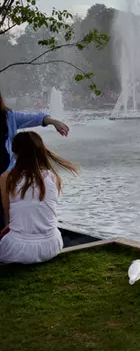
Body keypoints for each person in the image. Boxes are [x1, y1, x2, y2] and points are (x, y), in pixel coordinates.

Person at [0, 131, 78, 264]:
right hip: (52, 246)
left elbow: (8, 217)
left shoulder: (7, 178)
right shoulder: (54, 177)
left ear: (15, 153)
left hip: (18, 250)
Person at [1, 91, 69, 230]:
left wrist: (52, 121)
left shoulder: (8, 117)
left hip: (6, 174)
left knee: (7, 213)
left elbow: (36, 118)